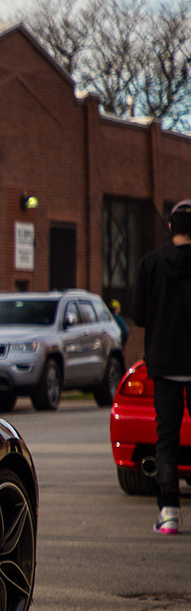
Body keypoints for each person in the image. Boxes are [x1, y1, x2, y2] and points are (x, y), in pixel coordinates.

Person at [129, 199, 191, 535]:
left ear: (170, 227)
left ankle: (169, 513)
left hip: (164, 361)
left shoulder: (150, 265)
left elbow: (138, 315)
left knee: (166, 436)